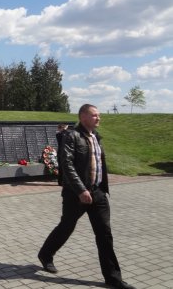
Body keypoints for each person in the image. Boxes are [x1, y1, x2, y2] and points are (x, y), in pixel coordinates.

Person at [38, 104, 136, 289]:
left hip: (98, 193)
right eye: (94, 115)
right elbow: (66, 165)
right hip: (76, 194)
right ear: (83, 117)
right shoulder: (71, 136)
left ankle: (113, 278)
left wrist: (99, 187)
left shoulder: (96, 137)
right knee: (66, 226)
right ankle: (46, 254)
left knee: (104, 234)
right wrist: (81, 190)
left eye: (99, 115)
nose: (98, 118)